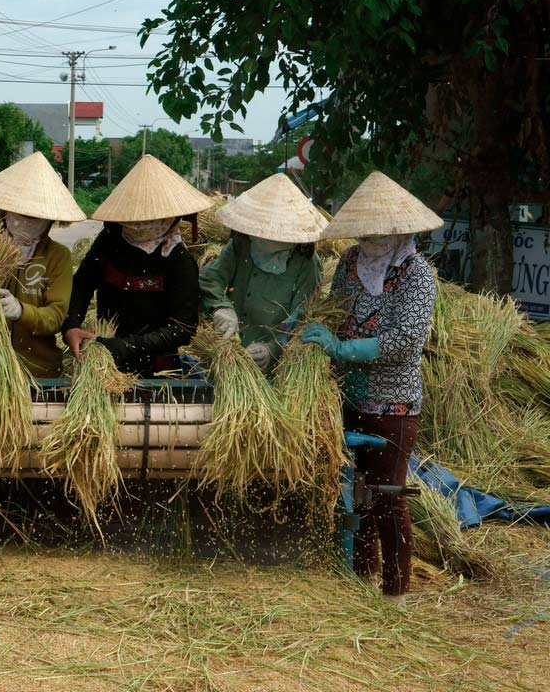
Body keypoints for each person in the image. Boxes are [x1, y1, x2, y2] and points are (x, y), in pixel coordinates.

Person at [301, 171, 441, 607]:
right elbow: (337, 306)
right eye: (365, 232)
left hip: (393, 402)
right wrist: (317, 330)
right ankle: (362, 581)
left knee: (387, 497)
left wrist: (345, 347)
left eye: (380, 232)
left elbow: (405, 340)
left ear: (400, 230)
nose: (371, 240)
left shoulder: (417, 275)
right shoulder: (347, 262)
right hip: (348, 396)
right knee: (354, 494)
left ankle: (394, 595)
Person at [62, 155, 210, 376]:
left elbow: (182, 329)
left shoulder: (179, 261)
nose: (141, 225)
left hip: (158, 367)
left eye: (152, 219)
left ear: (172, 218)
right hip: (104, 357)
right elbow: (82, 283)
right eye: (136, 220)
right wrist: (71, 326)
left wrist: (126, 346)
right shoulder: (110, 241)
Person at [0, 152, 86, 378]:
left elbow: (56, 316)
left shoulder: (57, 256)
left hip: (39, 373)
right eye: (20, 213)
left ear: (50, 219)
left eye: (36, 216)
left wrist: (21, 311)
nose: (26, 221)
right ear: (4, 210)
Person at [199, 173, 327, 371]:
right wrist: (221, 307)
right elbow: (211, 278)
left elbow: (301, 317)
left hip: (273, 367)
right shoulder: (241, 245)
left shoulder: (306, 265)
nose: (266, 236)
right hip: (228, 353)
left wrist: (272, 349)